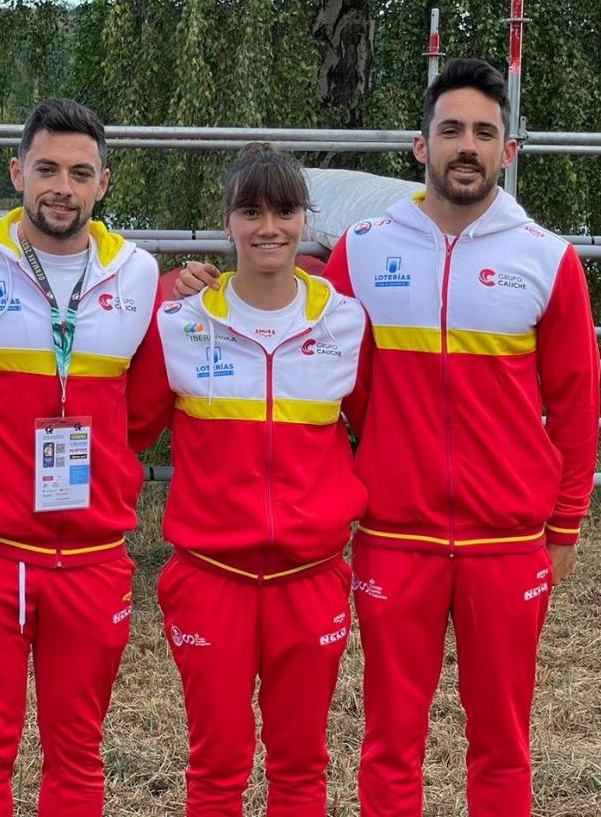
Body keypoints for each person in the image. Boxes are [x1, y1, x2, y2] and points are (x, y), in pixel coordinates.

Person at [174, 59, 600, 816]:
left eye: (483, 133)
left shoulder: (547, 256)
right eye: (450, 131)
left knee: (503, 744)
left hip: (506, 543)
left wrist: (562, 524)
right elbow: (306, 329)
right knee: (390, 742)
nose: (465, 146)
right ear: (419, 145)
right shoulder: (366, 248)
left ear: (509, 151)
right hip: (393, 537)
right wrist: (203, 292)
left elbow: (574, 401)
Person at [0, 98, 158, 817]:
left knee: (79, 751)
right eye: (47, 168)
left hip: (90, 556)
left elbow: (143, 408)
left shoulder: (138, 274)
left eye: (79, 173)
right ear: (17, 171)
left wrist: (104, 454)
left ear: (104, 183)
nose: (62, 186)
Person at [128, 144, 371, 815]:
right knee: (216, 769)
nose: (270, 226)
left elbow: (378, 426)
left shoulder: (345, 322)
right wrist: (159, 292)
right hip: (211, 579)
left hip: (310, 577)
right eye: (251, 210)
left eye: (286, 210)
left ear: (304, 220)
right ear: (228, 222)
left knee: (300, 769)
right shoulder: (181, 321)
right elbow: (131, 427)